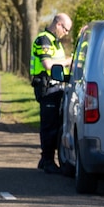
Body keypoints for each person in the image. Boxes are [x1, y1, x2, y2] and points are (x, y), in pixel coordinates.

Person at [31, 13, 72, 174]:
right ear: (58, 24)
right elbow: (48, 65)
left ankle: (46, 159)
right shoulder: (44, 40)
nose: (66, 33)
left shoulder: (55, 42)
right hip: (47, 89)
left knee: (55, 125)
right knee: (49, 126)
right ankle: (47, 160)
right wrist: (68, 61)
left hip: (56, 88)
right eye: (66, 29)